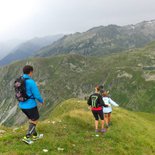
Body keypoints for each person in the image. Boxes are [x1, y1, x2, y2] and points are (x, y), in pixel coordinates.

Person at [19, 65, 44, 144]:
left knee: (31, 119)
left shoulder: (20, 80)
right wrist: (41, 101)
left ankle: (35, 135)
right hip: (30, 105)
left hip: (22, 105)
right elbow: (36, 95)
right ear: (30, 72)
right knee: (35, 119)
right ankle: (27, 137)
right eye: (32, 72)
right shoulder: (30, 82)